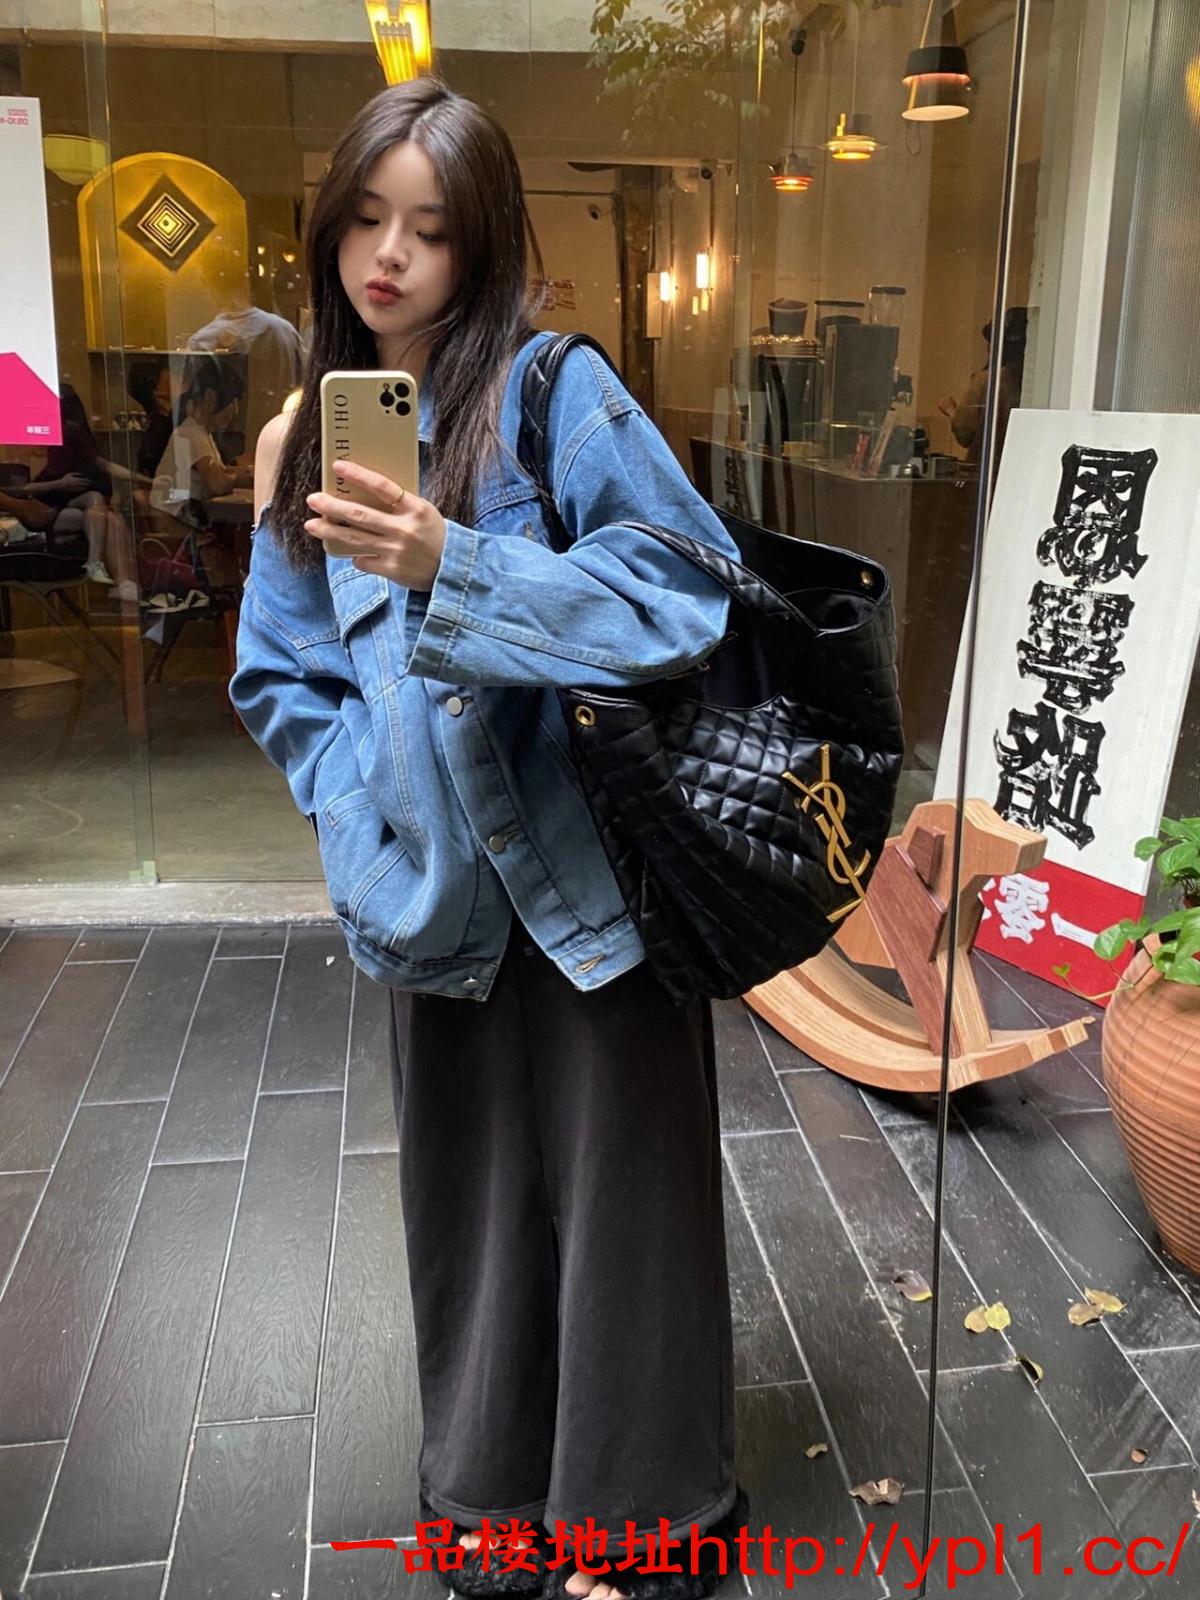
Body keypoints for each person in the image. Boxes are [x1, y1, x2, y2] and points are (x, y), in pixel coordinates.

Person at [230, 76, 749, 1600]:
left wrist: (456, 565)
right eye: (365, 219)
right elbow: (280, 671)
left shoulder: (549, 392)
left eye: (432, 229)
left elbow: (685, 589)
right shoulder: (304, 439)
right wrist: (359, 822)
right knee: (470, 1208)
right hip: (433, 892)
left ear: (486, 244)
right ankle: (493, 1506)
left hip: (592, 886)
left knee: (628, 1210)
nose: (389, 257)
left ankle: (641, 1526)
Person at [3, 385, 138, 602]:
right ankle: (120, 580)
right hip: (37, 513)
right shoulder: (26, 445)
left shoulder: (66, 441)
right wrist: (59, 483)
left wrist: (141, 479)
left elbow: (101, 463)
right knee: (109, 519)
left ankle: (103, 569)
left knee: (98, 504)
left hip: (58, 506)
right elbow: (17, 490)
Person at [188, 295, 303, 455]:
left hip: (236, 443)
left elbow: (200, 407)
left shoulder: (203, 340)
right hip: (285, 438)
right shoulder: (285, 330)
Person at [149, 354, 252, 529]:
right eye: (232, 402)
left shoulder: (199, 432)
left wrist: (247, 473)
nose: (235, 410)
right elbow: (218, 483)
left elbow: (219, 470)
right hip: (175, 524)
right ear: (211, 398)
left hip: (182, 518)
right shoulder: (190, 433)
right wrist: (246, 479)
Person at [938, 305, 1028, 466]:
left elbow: (965, 431)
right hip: (1021, 466)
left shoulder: (987, 380)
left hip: (985, 469)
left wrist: (951, 410)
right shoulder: (1034, 382)